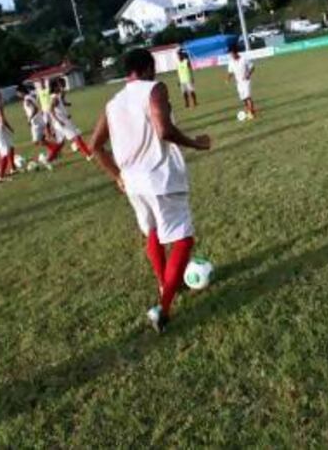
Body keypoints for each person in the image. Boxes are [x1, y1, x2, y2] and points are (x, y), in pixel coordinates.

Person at [90, 48, 212, 333]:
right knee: (183, 240)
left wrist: (116, 176)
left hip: (133, 183)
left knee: (154, 232)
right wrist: (198, 143)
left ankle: (163, 281)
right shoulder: (154, 88)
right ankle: (163, 307)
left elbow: (95, 145)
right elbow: (164, 131)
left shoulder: (113, 102)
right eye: (153, 67)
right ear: (146, 68)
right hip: (160, 178)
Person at [46, 78, 94, 162]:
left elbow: (60, 104)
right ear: (54, 87)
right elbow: (51, 109)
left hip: (59, 123)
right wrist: (59, 120)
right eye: (58, 85)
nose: (59, 86)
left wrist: (66, 104)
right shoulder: (54, 98)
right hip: (62, 122)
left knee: (60, 143)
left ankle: (49, 159)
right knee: (76, 137)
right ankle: (88, 154)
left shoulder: (56, 96)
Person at [19, 84, 59, 164]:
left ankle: (55, 148)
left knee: (36, 142)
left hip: (36, 123)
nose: (18, 95)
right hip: (39, 120)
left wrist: (30, 119)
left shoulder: (27, 99)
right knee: (42, 139)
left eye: (18, 93)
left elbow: (35, 108)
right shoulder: (29, 97)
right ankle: (54, 150)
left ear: (21, 92)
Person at [227, 45, 257, 119]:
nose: (231, 55)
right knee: (243, 98)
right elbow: (230, 72)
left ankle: (251, 113)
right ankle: (249, 111)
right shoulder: (231, 62)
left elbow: (252, 67)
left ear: (236, 52)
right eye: (230, 54)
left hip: (246, 81)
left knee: (248, 97)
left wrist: (248, 74)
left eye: (232, 53)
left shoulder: (244, 59)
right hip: (238, 83)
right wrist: (228, 78)